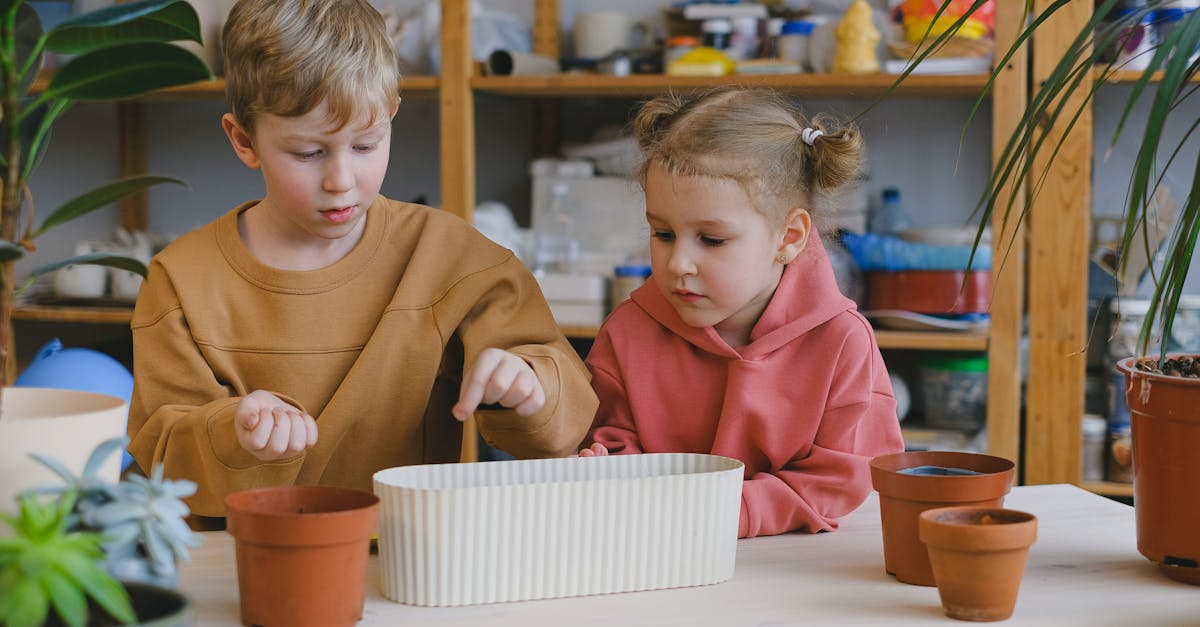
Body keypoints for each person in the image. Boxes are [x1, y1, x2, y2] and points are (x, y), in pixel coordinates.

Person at [126, 0, 597, 518]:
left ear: (392, 113)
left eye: (367, 144)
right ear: (244, 140)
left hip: (404, 555)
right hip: (238, 559)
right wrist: (233, 431)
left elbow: (565, 419)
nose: (341, 180)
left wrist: (529, 385)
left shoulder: (450, 257)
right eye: (308, 153)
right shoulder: (181, 280)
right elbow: (163, 455)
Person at [579, 88, 904, 538]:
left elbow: (841, 477)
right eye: (663, 233)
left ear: (789, 237)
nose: (678, 263)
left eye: (711, 240)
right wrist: (608, 468)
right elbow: (612, 437)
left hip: (791, 573)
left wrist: (726, 513)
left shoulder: (842, 342)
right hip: (658, 555)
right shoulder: (627, 331)